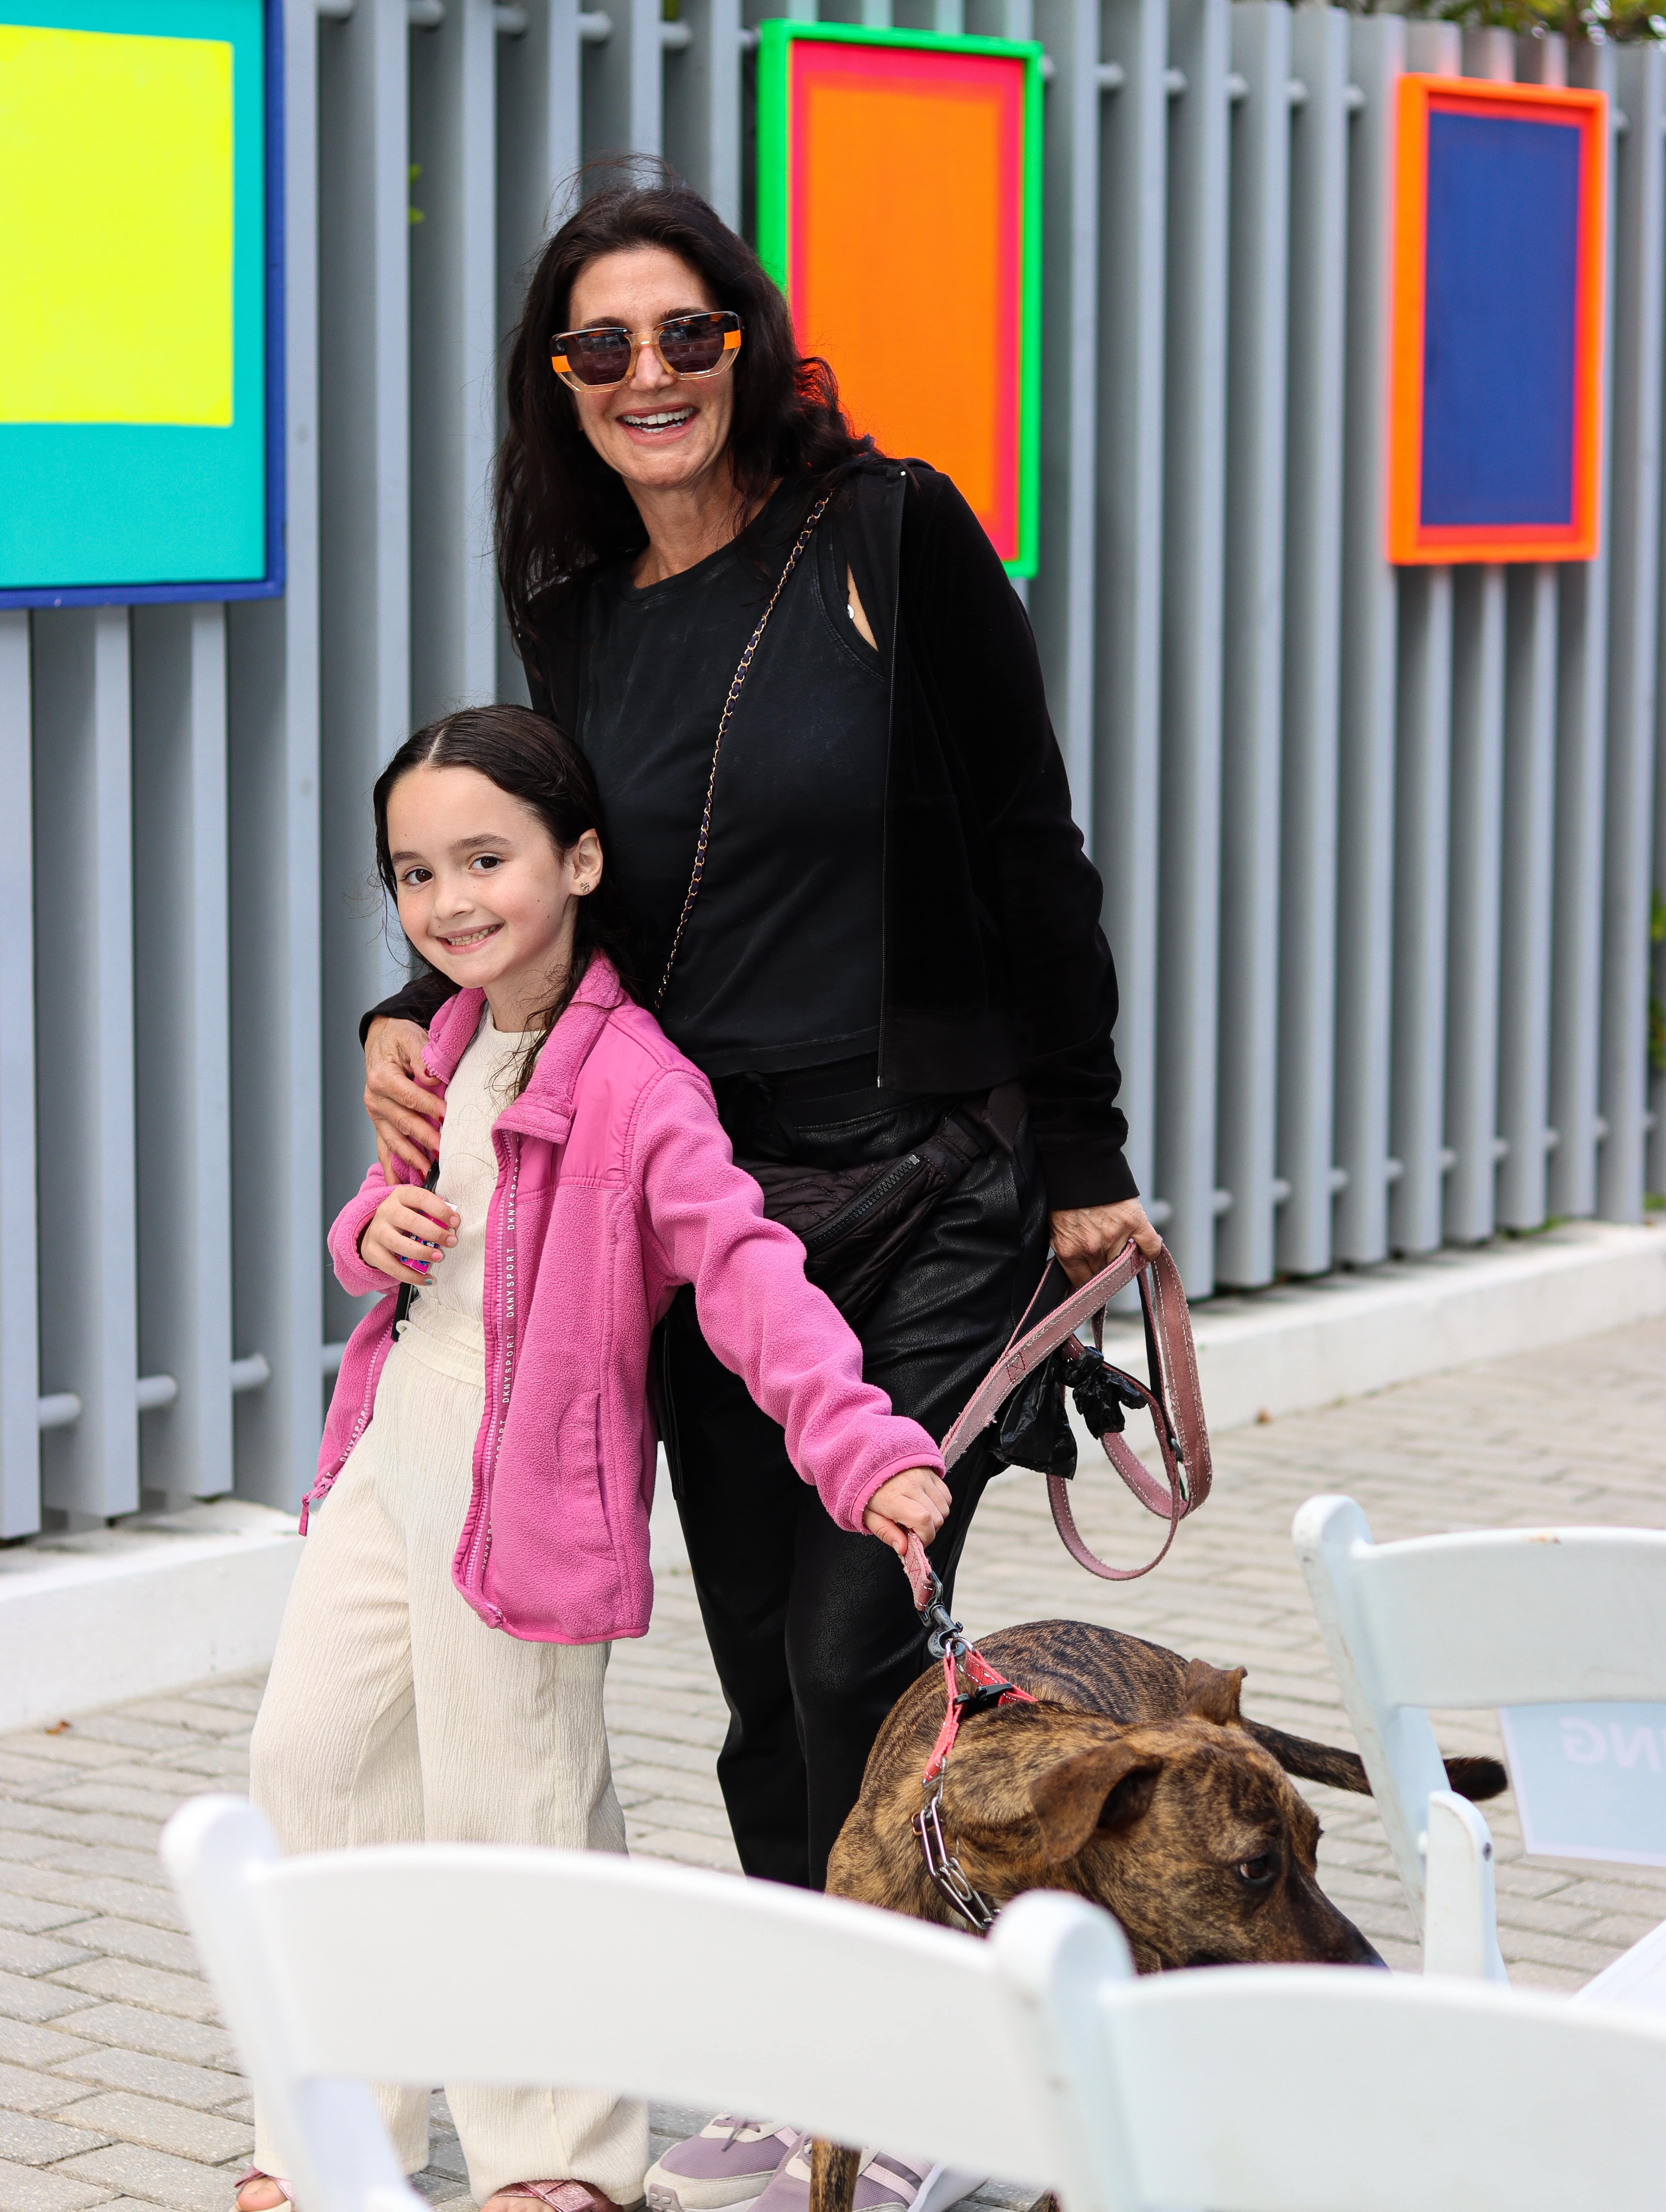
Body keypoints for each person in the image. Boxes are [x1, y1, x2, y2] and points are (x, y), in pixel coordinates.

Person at [359, 181, 1156, 2211]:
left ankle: (935, 2077)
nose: (651, 377)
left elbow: (1033, 853)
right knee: (750, 1674)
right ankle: (821, 2058)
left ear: (749, 339)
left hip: (937, 1185)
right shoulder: (583, 610)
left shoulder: (895, 536)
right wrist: (406, 1004)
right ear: (563, 385)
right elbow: (540, 875)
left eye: (686, 333)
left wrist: (1086, 1167)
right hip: (699, 1211)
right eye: (601, 348)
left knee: (853, 1649)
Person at [236, 707, 951, 2212]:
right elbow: (379, 1234)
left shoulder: (636, 1084)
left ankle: (555, 2163)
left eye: (484, 860)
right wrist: (375, 1231)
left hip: (529, 1495)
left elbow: (750, 1273)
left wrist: (862, 1446)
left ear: (577, 858)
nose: (448, 904)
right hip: (387, 1455)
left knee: (523, 1811)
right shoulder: (441, 1038)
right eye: (414, 875)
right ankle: (335, 2126)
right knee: (311, 1759)